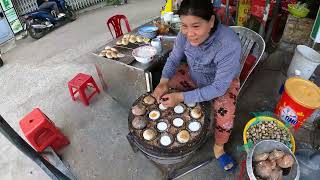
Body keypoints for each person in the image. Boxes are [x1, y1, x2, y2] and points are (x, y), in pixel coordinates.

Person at [152, 0, 241, 171]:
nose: (190, 33)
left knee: (225, 113)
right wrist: (163, 82)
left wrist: (180, 97)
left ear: (212, 22)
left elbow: (218, 88)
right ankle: (171, 121)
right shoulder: (183, 35)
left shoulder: (228, 44)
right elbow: (174, 58)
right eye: (184, 26)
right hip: (193, 74)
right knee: (165, 90)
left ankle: (219, 147)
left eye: (196, 26)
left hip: (221, 83)